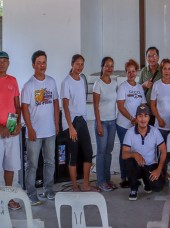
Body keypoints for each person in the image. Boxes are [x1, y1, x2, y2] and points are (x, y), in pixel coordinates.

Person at [21, 50, 59, 205]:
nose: (42, 65)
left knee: (50, 162)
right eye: (39, 62)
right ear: (33, 65)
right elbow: (24, 108)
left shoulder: (51, 81)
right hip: (34, 133)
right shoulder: (29, 85)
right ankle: (30, 193)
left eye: (44, 62)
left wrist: (57, 124)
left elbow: (56, 103)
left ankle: (48, 189)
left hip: (50, 131)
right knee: (32, 164)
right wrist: (29, 128)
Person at [61, 54, 96, 192]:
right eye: (77, 64)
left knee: (88, 152)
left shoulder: (82, 80)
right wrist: (70, 127)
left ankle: (86, 184)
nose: (79, 67)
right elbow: (65, 105)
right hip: (72, 123)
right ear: (72, 64)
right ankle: (75, 186)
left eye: (82, 64)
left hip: (82, 120)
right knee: (73, 155)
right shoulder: (66, 82)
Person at [122, 104, 166, 200]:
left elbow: (163, 150)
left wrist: (158, 169)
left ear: (149, 118)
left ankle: (146, 181)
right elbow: (124, 154)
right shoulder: (130, 132)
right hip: (137, 166)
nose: (143, 119)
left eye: (145, 116)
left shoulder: (154, 131)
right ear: (136, 118)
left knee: (157, 187)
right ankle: (134, 189)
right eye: (140, 116)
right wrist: (135, 154)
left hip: (150, 165)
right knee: (129, 161)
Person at [116, 59, 146, 188]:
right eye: (129, 72)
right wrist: (131, 118)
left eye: (134, 71)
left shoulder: (139, 87)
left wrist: (141, 120)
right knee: (125, 150)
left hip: (136, 125)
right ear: (126, 72)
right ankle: (124, 177)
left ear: (137, 72)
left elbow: (143, 105)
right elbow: (121, 106)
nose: (132, 74)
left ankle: (132, 176)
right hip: (124, 125)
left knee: (134, 150)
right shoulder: (123, 87)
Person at [0, 51, 23, 210]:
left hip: (11, 129)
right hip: (0, 130)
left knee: (10, 166)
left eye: (5, 61)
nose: (2, 63)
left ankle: (8, 198)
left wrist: (17, 124)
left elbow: (17, 105)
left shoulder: (13, 81)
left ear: (8, 63)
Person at [93, 57, 117, 192]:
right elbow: (95, 106)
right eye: (107, 65)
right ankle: (101, 181)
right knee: (101, 152)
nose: (109, 68)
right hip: (102, 122)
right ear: (102, 67)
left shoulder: (114, 83)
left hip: (112, 122)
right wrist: (98, 124)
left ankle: (107, 179)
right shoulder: (98, 84)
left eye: (111, 66)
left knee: (108, 152)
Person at [151, 58, 170, 141]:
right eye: (164, 69)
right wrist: (159, 120)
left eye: (169, 69)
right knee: (161, 151)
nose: (167, 71)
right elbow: (153, 105)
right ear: (161, 70)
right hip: (161, 125)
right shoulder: (156, 85)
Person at [139, 47, 162, 125]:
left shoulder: (163, 70)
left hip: (160, 110)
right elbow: (137, 90)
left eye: (154, 55)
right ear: (146, 58)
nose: (152, 58)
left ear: (158, 57)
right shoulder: (143, 71)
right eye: (149, 56)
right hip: (146, 110)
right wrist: (144, 85)